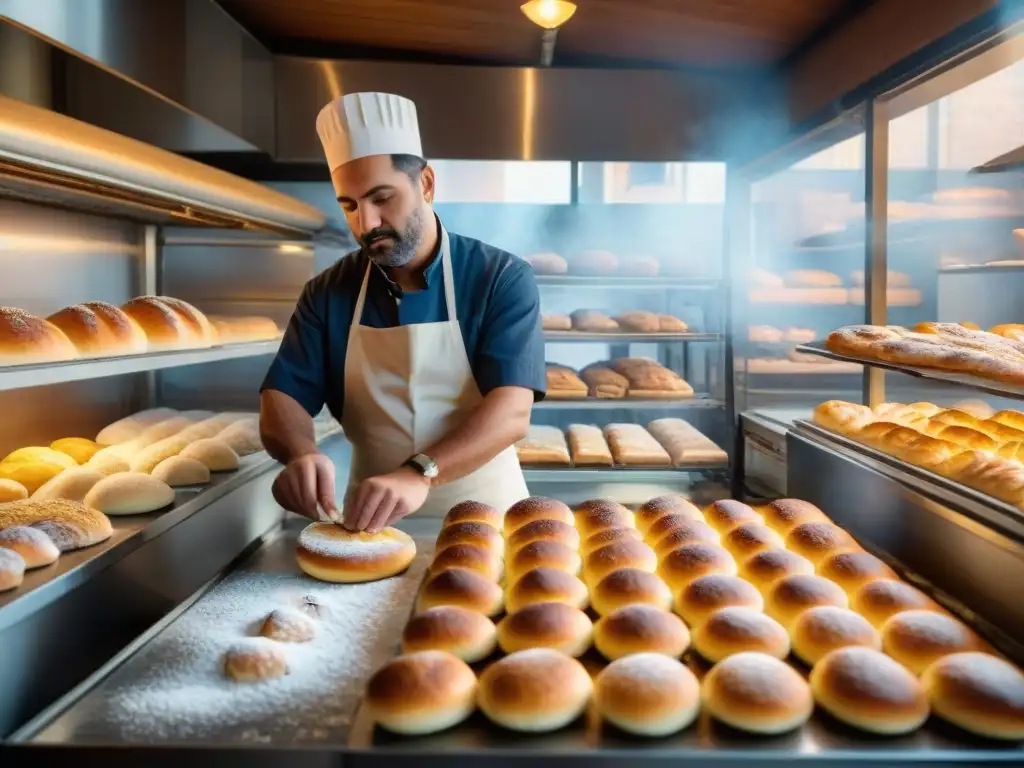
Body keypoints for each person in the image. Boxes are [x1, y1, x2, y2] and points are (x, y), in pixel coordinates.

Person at [260, 92, 545, 533]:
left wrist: (420, 471)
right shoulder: (328, 292)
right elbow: (283, 396)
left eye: (381, 198)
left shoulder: (501, 277)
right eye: (350, 206)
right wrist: (299, 452)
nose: (366, 223)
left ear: (426, 184)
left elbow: (511, 411)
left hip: (486, 519)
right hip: (370, 523)